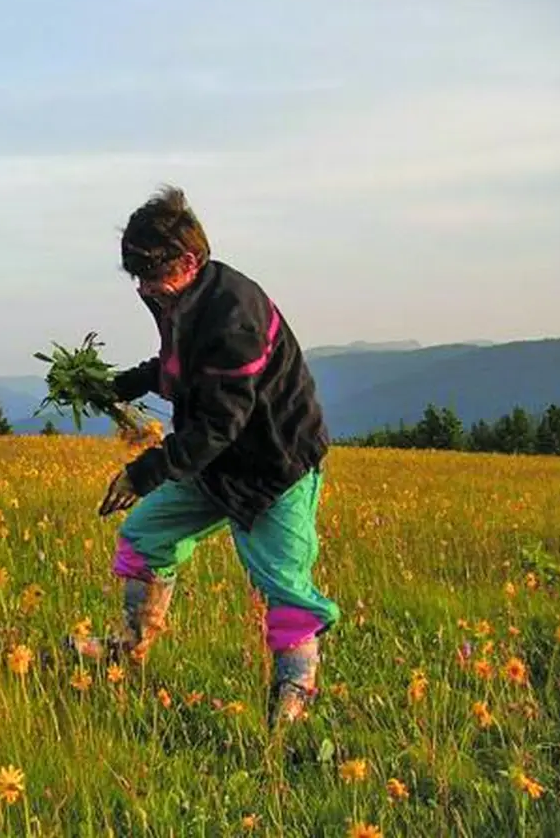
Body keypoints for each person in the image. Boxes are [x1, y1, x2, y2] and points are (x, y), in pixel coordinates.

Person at [72, 185, 339, 728]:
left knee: (282, 582)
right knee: (145, 538)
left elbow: (222, 420)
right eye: (138, 277)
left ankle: (295, 692)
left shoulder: (233, 316)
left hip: (273, 466)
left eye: (152, 273)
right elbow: (179, 366)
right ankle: (132, 648)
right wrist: (120, 385)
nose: (145, 287)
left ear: (189, 260)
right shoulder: (177, 299)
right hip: (210, 461)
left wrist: (144, 471)